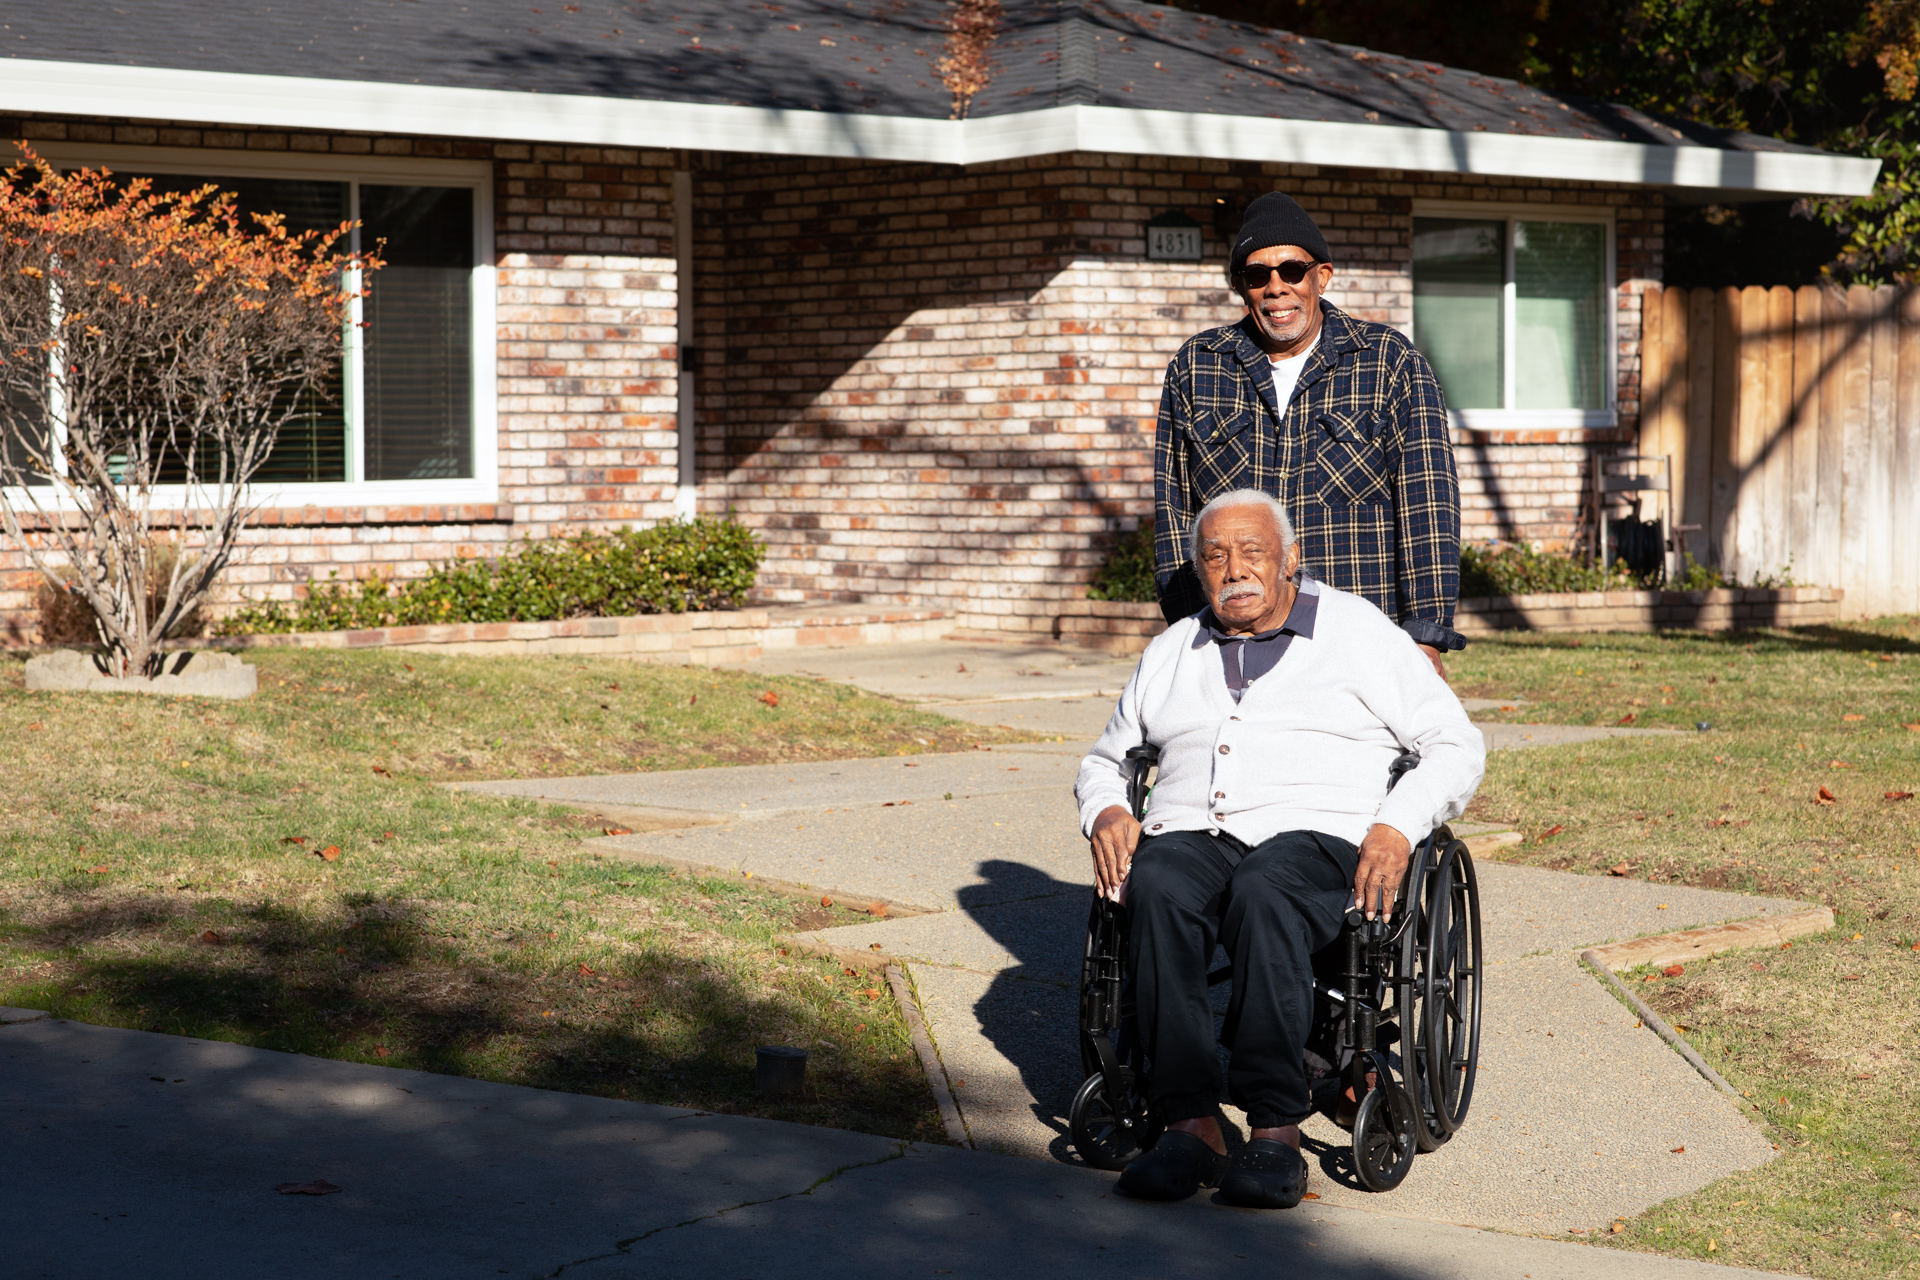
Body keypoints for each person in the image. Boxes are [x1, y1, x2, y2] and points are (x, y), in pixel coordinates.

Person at [1074, 488, 1483, 1208]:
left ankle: (1273, 1131)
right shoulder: (1173, 651)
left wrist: (1398, 824)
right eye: (1215, 556)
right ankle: (1190, 1122)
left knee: (1267, 889)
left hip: (1319, 835)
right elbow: (1107, 759)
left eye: (1252, 552)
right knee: (1159, 886)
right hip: (1192, 831)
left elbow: (1455, 743)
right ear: (1198, 571)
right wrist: (1106, 808)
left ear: (1290, 558)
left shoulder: (1356, 632)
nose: (1235, 569)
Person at [1152, 191, 1465, 675]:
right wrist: (1187, 626)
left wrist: (1425, 634)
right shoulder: (1197, 368)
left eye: (1292, 271)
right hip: (1237, 636)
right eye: (1258, 275)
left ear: (1322, 276)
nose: (1276, 288)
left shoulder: (1389, 362)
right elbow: (1173, 510)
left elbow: (1429, 503)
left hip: (1358, 637)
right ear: (1241, 287)